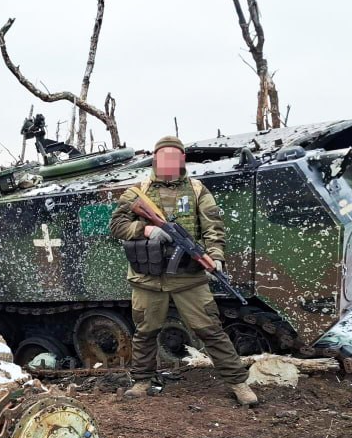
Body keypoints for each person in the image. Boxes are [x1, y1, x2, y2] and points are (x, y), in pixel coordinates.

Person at [108, 135, 257, 406]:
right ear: (155, 160)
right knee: (146, 331)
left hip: (189, 278)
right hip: (148, 279)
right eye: (162, 157)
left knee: (210, 329)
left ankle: (238, 382)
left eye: (173, 157)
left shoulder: (197, 190)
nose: (167, 163)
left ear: (182, 160)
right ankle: (142, 380)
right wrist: (145, 229)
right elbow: (117, 225)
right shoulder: (137, 191)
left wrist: (215, 258)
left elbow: (214, 228)